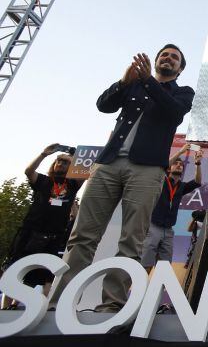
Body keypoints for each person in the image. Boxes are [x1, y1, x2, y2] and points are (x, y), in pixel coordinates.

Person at [50, 44, 195, 312]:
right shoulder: (134, 85)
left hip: (148, 169)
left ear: (180, 69)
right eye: (164, 54)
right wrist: (123, 81)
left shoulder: (182, 93)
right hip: (107, 165)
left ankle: (112, 305)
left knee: (132, 239)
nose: (168, 59)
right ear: (156, 60)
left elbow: (174, 113)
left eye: (174, 58)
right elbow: (103, 105)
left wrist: (149, 80)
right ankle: (58, 303)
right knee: (83, 235)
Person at [1, 145, 82, 309]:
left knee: (43, 274)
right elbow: (28, 171)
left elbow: (85, 173)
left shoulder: (73, 185)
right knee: (16, 269)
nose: (61, 164)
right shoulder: (44, 181)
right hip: (31, 233)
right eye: (58, 161)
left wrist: (77, 156)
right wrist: (44, 154)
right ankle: (5, 308)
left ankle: (20, 306)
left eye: (66, 163)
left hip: (54, 236)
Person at [139, 144, 203, 273]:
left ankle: (157, 292)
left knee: (165, 268)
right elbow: (162, 168)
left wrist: (197, 163)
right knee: (146, 264)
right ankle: (139, 290)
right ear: (169, 168)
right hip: (153, 227)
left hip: (168, 231)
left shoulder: (181, 186)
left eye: (181, 165)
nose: (179, 165)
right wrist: (180, 152)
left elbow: (197, 181)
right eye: (176, 164)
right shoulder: (161, 180)